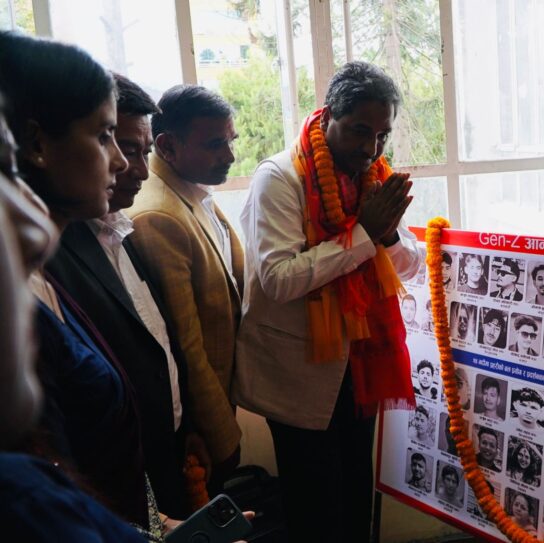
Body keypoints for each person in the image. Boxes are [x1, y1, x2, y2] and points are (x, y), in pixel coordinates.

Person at [233, 62, 419, 543]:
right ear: (329, 114)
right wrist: (364, 234)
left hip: (361, 362)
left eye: (382, 135)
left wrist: (387, 233)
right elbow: (278, 279)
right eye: (360, 130)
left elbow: (410, 265)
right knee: (316, 508)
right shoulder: (280, 178)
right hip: (300, 371)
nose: (371, 148)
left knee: (356, 494)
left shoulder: (373, 176)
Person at [0, 31, 153, 530]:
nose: (122, 163)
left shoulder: (44, 276)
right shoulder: (16, 303)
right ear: (36, 144)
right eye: (104, 136)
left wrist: (152, 523)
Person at [44, 73, 201, 519]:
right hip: (114, 482)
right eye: (124, 148)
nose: (137, 169)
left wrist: (185, 424)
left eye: (141, 151)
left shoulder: (122, 228)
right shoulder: (50, 253)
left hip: (164, 451)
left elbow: (156, 341)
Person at [126, 84, 243, 492]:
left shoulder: (189, 188)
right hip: (200, 424)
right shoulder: (158, 215)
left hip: (220, 400)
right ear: (168, 146)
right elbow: (186, 345)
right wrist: (222, 436)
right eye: (215, 144)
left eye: (230, 141)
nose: (230, 156)